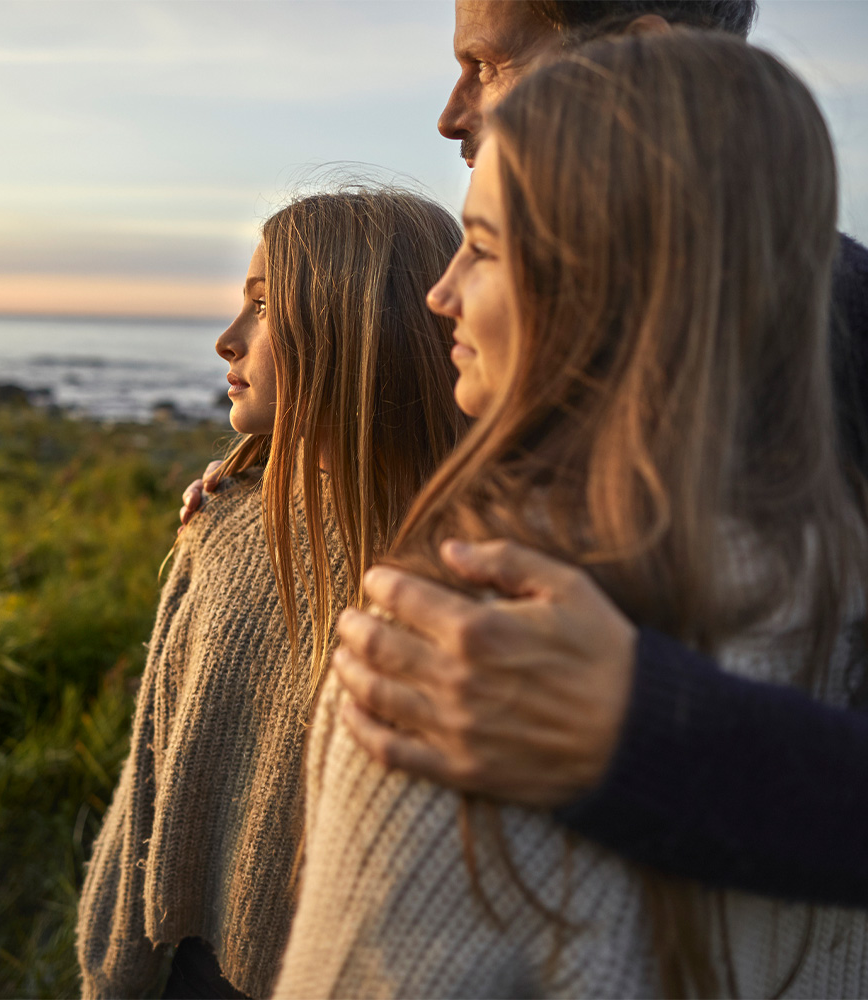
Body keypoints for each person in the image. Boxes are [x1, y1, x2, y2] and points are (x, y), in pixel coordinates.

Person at [181, 0, 868, 905]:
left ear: (638, 61)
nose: (451, 112)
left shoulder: (841, 342)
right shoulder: (565, 359)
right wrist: (281, 477)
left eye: (489, 64)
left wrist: (644, 732)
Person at [75, 188, 466, 999]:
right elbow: (157, 760)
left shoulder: (467, 569)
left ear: (358, 329)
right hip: (188, 960)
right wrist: (115, 964)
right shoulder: (226, 525)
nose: (227, 341)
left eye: (262, 307)